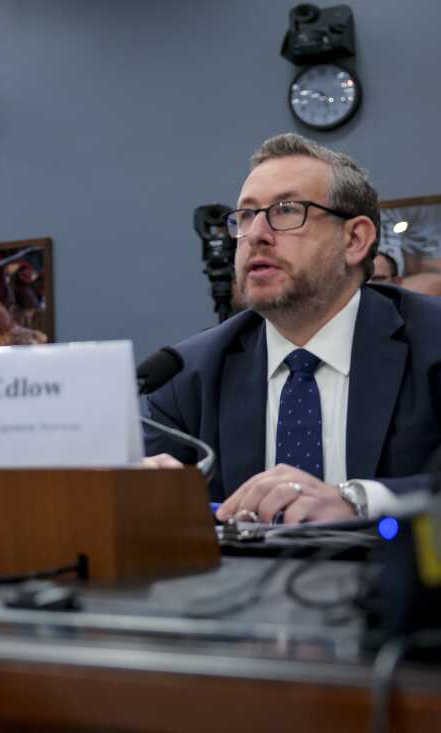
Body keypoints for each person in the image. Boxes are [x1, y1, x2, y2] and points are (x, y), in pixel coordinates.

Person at [145, 133, 441, 525]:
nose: (255, 234)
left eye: (286, 211)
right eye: (246, 216)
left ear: (355, 240)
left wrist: (358, 501)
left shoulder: (431, 342)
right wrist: (137, 494)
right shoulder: (185, 375)